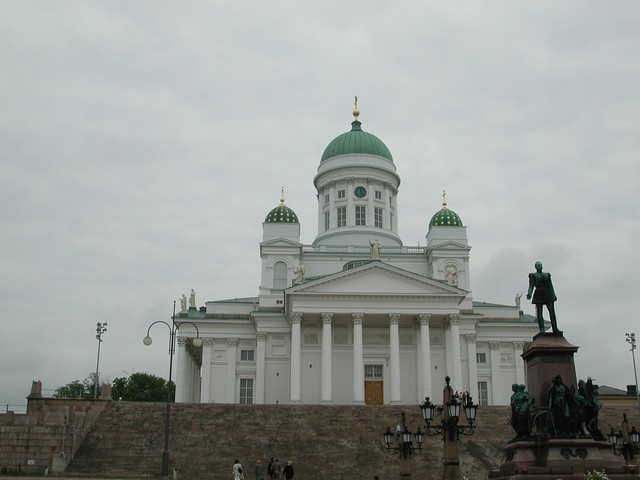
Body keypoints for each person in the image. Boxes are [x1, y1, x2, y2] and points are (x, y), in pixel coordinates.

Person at [526, 261, 559, 333]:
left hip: (548, 293)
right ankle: (542, 329)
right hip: (539, 293)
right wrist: (529, 293)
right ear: (536, 267)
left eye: (540, 265)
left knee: (552, 312)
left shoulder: (547, 275)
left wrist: (553, 294)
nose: (539, 266)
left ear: (542, 266)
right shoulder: (533, 275)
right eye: (538, 265)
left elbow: (550, 285)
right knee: (539, 313)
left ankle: (555, 328)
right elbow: (531, 285)